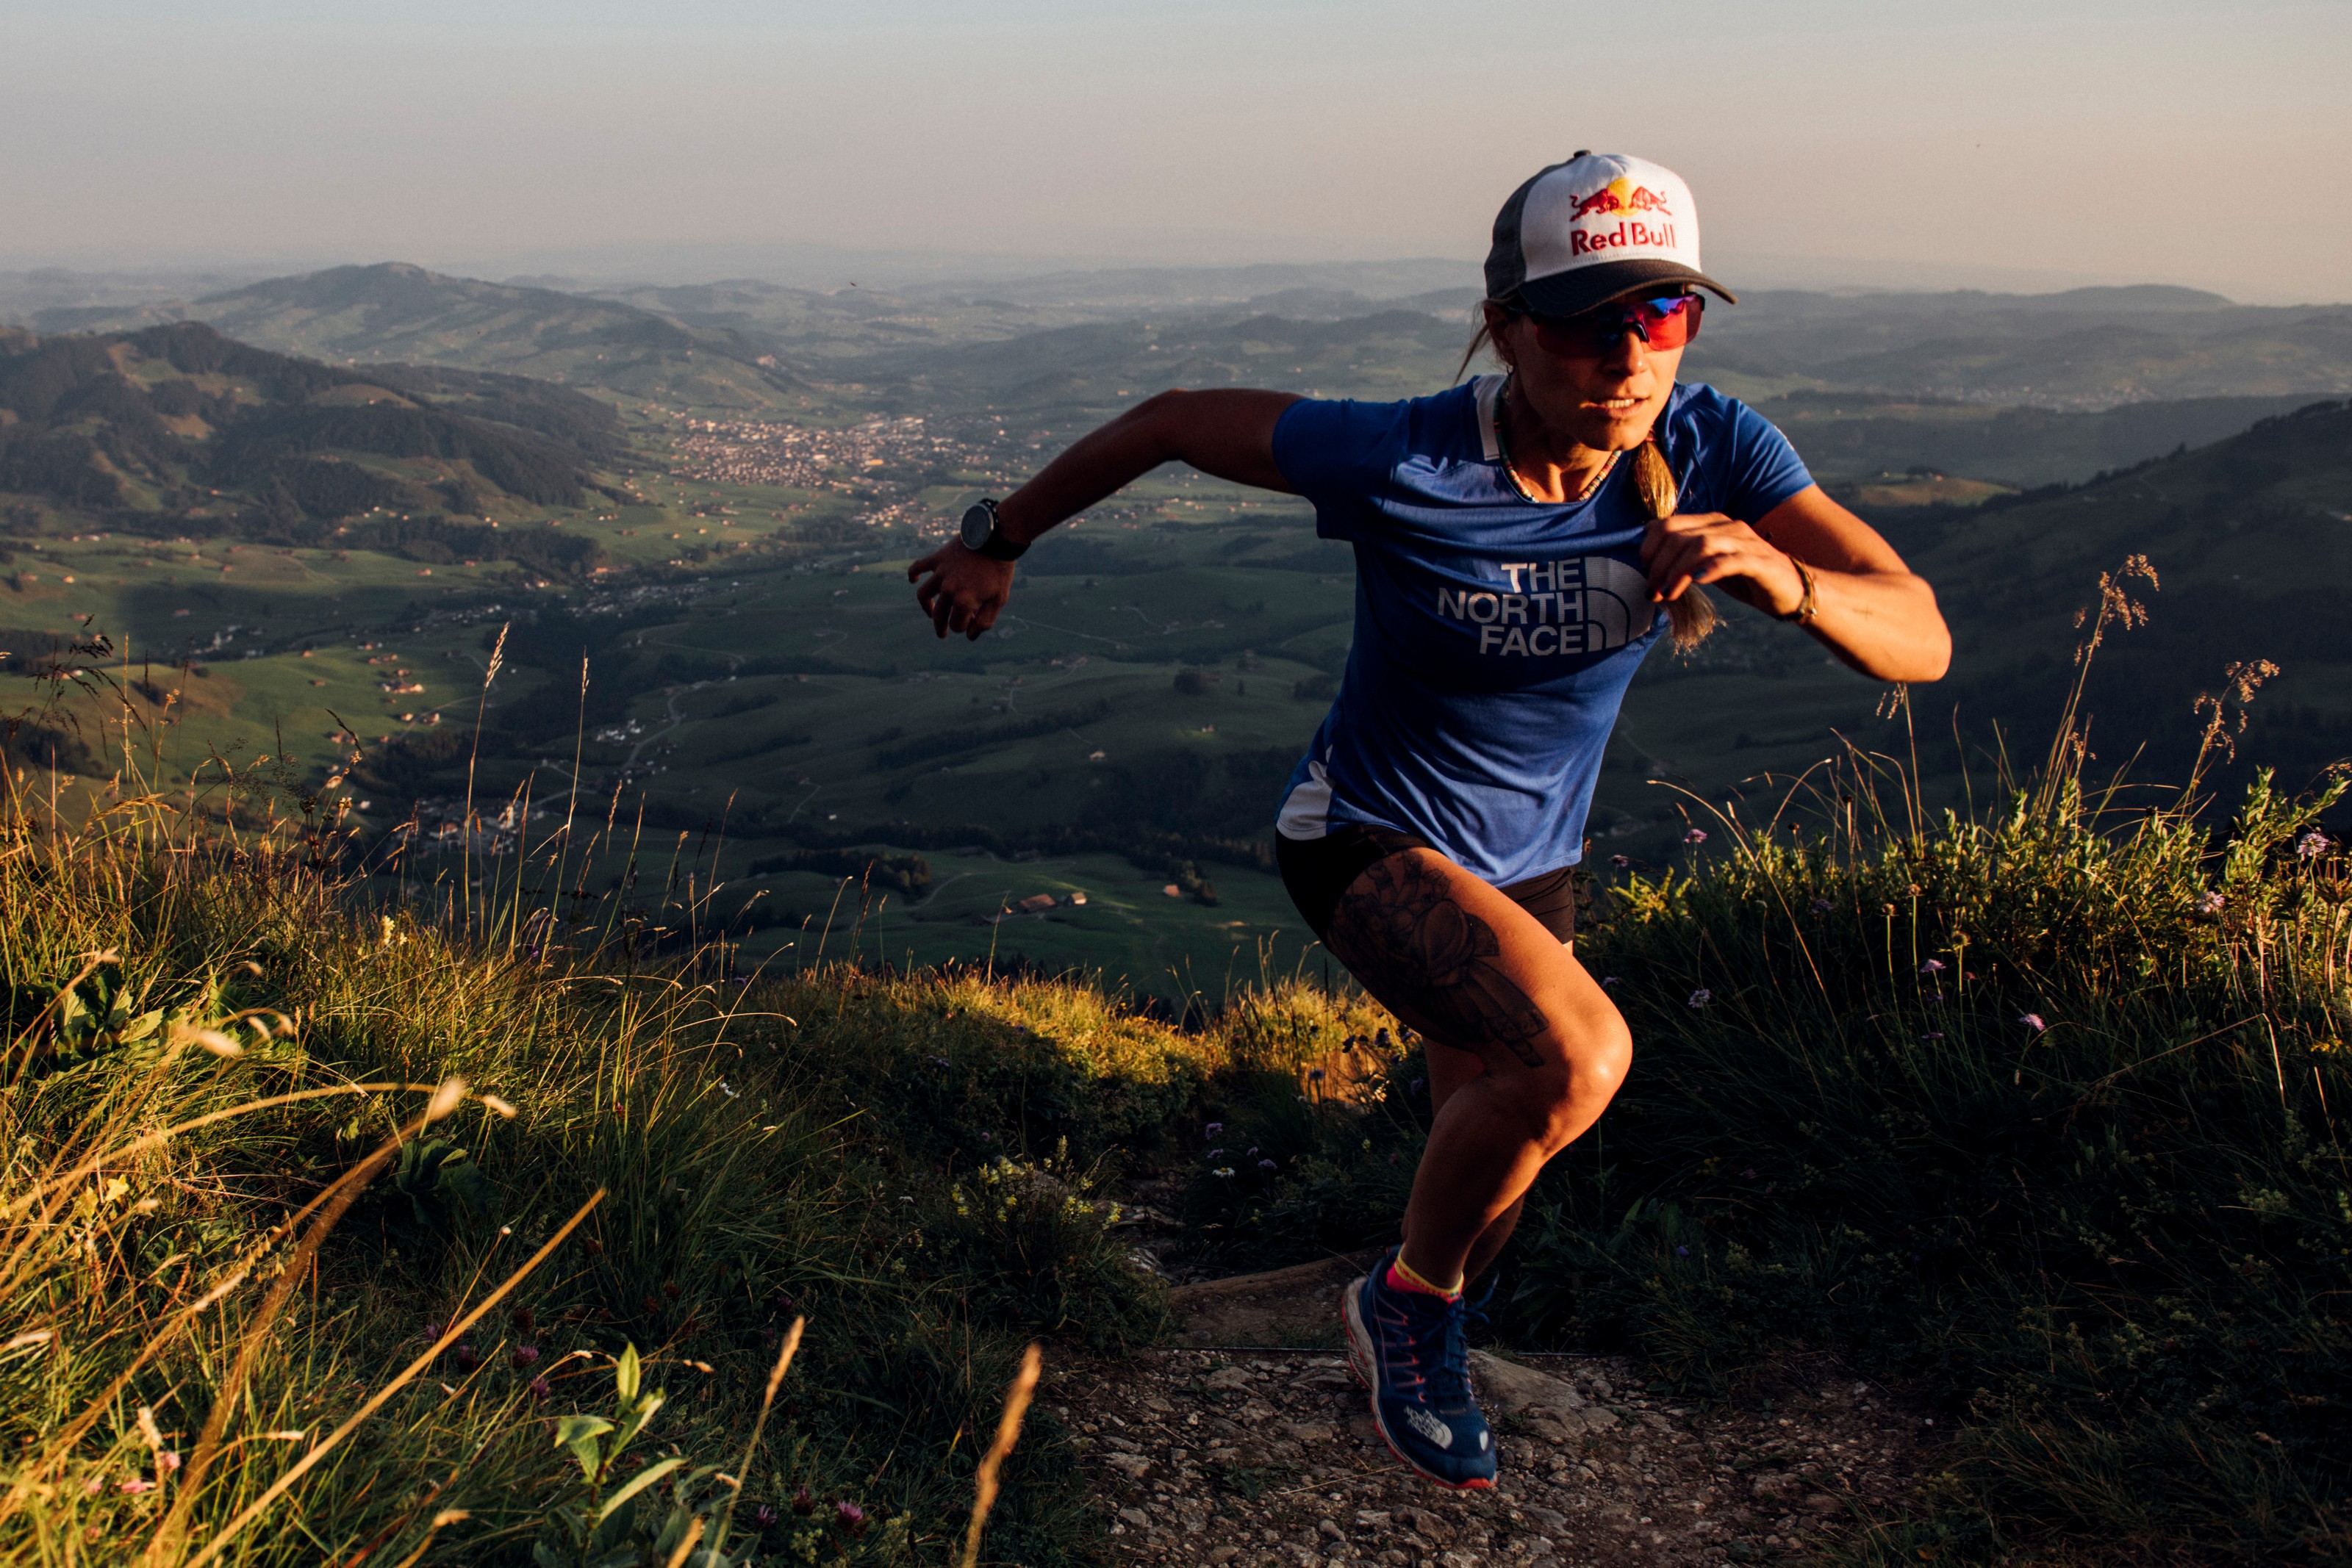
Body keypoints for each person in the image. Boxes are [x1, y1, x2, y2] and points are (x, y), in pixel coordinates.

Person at [907, 151, 1949, 1490]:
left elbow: (1918, 630)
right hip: (1367, 835)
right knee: (1579, 1060)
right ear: (1508, 326)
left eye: (1667, 315)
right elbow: (1172, 419)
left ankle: (1392, 1300)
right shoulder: (1406, 455)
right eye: (1588, 321)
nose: (1631, 357)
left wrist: (1790, 578)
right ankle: (1404, 1313)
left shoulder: (1716, 449)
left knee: (1498, 1174)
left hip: (1534, 867)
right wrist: (999, 537)